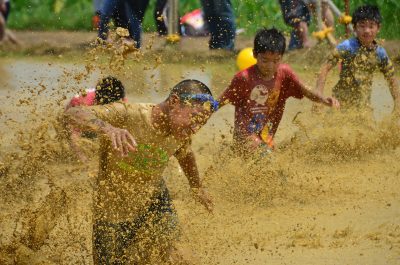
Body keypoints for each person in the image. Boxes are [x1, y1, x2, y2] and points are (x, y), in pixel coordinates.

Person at [64, 79, 216, 264]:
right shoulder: (129, 113)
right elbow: (73, 113)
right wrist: (108, 129)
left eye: (202, 123)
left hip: (155, 201)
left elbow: (185, 154)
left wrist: (196, 186)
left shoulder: (181, 132)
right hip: (111, 210)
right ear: (174, 102)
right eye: (194, 118)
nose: (195, 128)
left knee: (175, 251)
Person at [218, 28, 339, 154]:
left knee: (270, 160)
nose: (270, 66)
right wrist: (201, 115)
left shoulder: (285, 74)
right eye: (265, 60)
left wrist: (323, 99)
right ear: (255, 54)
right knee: (264, 156)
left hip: (266, 137)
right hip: (245, 137)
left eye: (276, 61)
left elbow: (306, 90)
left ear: (281, 57)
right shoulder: (244, 78)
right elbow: (220, 100)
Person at [315, 5, 400, 114]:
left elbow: (392, 79)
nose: (367, 30)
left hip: (364, 107)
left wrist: (397, 106)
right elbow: (324, 68)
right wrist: (318, 96)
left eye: (371, 26)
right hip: (340, 103)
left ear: (378, 28)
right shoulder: (346, 47)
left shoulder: (380, 53)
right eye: (362, 26)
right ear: (354, 28)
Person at [65, 76, 126, 162]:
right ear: (98, 101)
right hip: (73, 119)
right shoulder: (83, 104)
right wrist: (84, 160)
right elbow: (73, 136)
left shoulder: (119, 99)